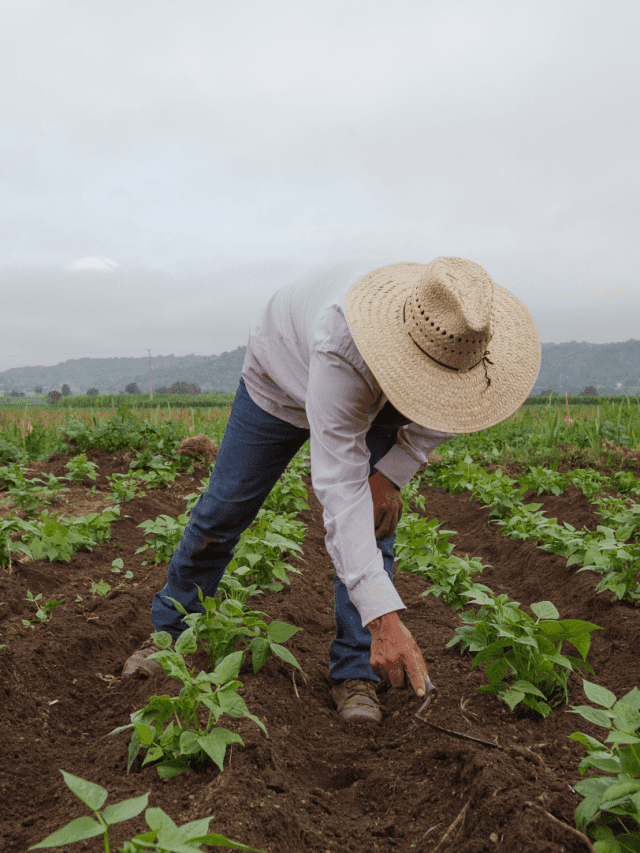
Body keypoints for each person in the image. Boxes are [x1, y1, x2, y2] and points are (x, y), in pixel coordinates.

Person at [123, 255, 541, 725]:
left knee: (376, 522)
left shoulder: (469, 345)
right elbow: (340, 492)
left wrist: (391, 475)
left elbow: (450, 415)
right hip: (282, 378)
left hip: (379, 393)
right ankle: (169, 633)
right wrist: (386, 618)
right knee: (223, 510)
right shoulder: (344, 342)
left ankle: (355, 671)